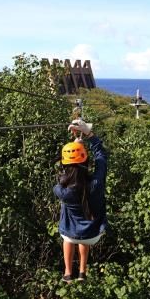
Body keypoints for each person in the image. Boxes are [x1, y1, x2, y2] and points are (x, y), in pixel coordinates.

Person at [53, 119, 108, 283]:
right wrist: (89, 135)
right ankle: (82, 272)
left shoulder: (62, 191)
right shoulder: (96, 184)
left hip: (70, 234)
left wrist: (74, 145)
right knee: (83, 235)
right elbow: (101, 158)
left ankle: (68, 273)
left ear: (65, 165)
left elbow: (63, 174)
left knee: (68, 238)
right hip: (92, 234)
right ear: (86, 162)